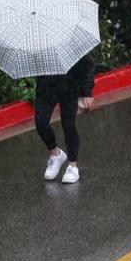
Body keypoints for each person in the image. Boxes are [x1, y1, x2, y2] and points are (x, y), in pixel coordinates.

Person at [35, 53, 95, 184]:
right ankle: (56, 154)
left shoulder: (69, 38)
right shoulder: (37, 40)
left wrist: (86, 92)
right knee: (40, 122)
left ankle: (73, 166)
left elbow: (87, 63)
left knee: (68, 125)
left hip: (69, 84)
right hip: (46, 86)